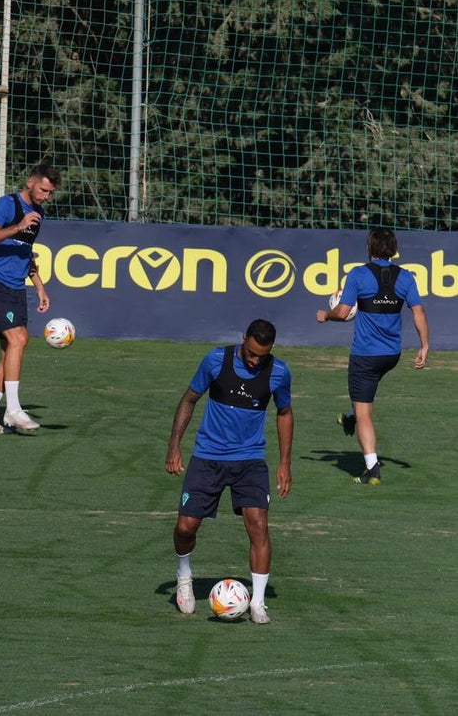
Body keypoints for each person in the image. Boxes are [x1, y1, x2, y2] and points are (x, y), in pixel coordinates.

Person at [165, 319, 294, 624]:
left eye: (261, 356)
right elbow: (189, 399)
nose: (254, 360)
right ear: (243, 339)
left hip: (249, 461)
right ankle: (184, 576)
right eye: (250, 353)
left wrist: (285, 462)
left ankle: (258, 603)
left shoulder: (279, 372)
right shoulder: (215, 360)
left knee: (259, 526)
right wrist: (174, 446)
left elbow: (285, 413)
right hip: (207, 458)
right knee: (186, 527)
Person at [316, 228, 429, 485]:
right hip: (392, 355)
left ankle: (372, 469)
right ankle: (350, 417)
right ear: (394, 250)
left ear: (369, 248)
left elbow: (343, 312)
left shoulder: (358, 274)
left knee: (364, 410)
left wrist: (326, 315)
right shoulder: (406, 277)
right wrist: (424, 346)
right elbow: (419, 313)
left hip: (366, 356)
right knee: (365, 396)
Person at [0, 163, 61, 434]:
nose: (46, 196)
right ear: (30, 182)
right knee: (19, 338)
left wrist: (40, 287)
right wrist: (17, 226)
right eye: (44, 190)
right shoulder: (8, 205)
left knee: (9, 351)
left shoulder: (39, 213)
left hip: (16, 288)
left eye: (50, 193)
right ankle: (12, 410)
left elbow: (27, 253)